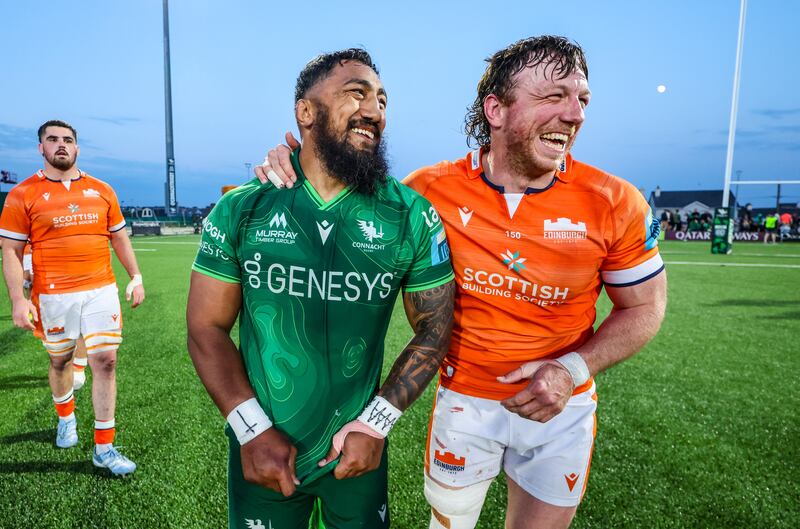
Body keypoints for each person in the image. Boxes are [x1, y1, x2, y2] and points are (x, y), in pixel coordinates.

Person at [258, 36, 668, 529]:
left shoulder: (614, 201)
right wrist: (290, 157)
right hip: (465, 401)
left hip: (562, 407)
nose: (575, 114)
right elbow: (336, 187)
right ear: (496, 108)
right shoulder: (429, 190)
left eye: (581, 99)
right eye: (553, 97)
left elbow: (645, 306)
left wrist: (572, 370)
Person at [186, 49, 456, 529]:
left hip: (356, 452)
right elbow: (205, 326)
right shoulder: (243, 208)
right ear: (305, 112)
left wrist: (377, 423)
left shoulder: (410, 214)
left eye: (382, 100)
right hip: (262, 450)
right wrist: (250, 430)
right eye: (357, 93)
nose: (374, 111)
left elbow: (435, 326)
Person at [0, 120, 144, 475]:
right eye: (53, 139)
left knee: (106, 362)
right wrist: (19, 300)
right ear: (41, 148)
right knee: (61, 362)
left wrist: (136, 276)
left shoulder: (102, 190)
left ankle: (104, 447)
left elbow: (120, 237)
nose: (61, 145)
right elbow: (11, 252)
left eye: (68, 140)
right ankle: (66, 416)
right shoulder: (22, 194)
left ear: (77, 148)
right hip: (54, 296)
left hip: (101, 289)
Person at [22, 240, 90, 389]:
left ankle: (79, 369)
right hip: (35, 254)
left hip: (67, 270)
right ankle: (68, 366)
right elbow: (28, 278)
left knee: (77, 326)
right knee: (57, 338)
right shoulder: (28, 246)